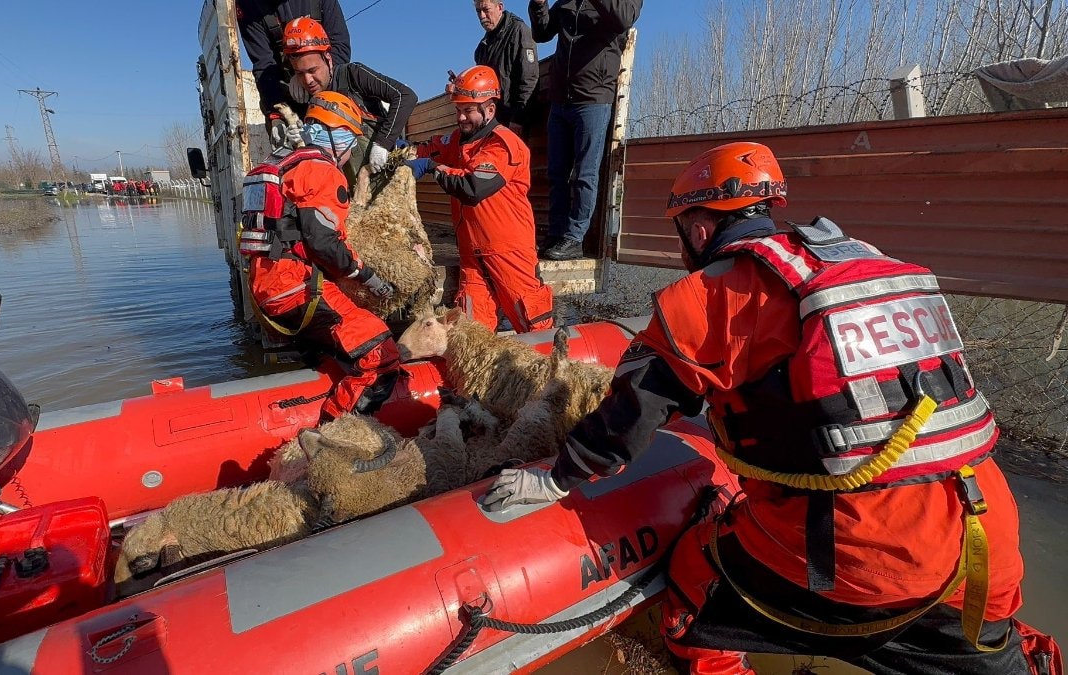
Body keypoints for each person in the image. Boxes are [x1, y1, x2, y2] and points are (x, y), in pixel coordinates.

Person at [483, 142, 1061, 674]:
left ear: (702, 224)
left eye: (682, 232)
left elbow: (632, 414)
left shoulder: (714, 295)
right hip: (986, 534)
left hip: (864, 553)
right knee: (988, 653)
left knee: (694, 583)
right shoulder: (870, 267)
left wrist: (558, 479)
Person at [238, 91, 400, 421]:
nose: (350, 150)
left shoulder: (280, 164)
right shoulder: (321, 170)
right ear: (334, 134)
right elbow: (324, 243)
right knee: (381, 355)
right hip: (294, 287)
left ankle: (317, 394)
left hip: (266, 286)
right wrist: (367, 275)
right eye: (350, 140)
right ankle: (337, 435)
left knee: (333, 344)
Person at [405, 66, 554, 334]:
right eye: (458, 109)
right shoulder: (461, 141)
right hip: (472, 257)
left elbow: (472, 187)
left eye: (468, 110)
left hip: (508, 252)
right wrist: (399, 152)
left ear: (490, 109)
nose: (461, 117)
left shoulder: (503, 145)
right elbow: (430, 147)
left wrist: (433, 167)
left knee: (535, 328)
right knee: (472, 335)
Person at [530, 0, 642, 261]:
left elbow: (624, 19)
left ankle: (574, 237)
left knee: (585, 173)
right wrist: (538, 5)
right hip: (561, 99)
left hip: (594, 97)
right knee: (556, 173)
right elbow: (542, 33)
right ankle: (557, 234)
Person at [282, 17, 418, 186]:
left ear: (328, 58)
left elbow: (406, 96)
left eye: (312, 70)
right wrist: (301, 139)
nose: (308, 80)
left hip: (379, 179)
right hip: (337, 187)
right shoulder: (303, 96)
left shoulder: (353, 75)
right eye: (300, 73)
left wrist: (383, 143)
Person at [234, 0, 351, 119]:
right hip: (287, 91)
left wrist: (311, 79)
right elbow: (263, 65)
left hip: (329, 86)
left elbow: (340, 47)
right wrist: (277, 116)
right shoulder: (248, 6)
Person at [472, 0, 539, 133]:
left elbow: (529, 79)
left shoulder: (519, 31)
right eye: (478, 11)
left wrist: (518, 119)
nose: (482, 16)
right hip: (490, 122)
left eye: (486, 10)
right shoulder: (482, 47)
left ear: (500, 7)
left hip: (512, 122)